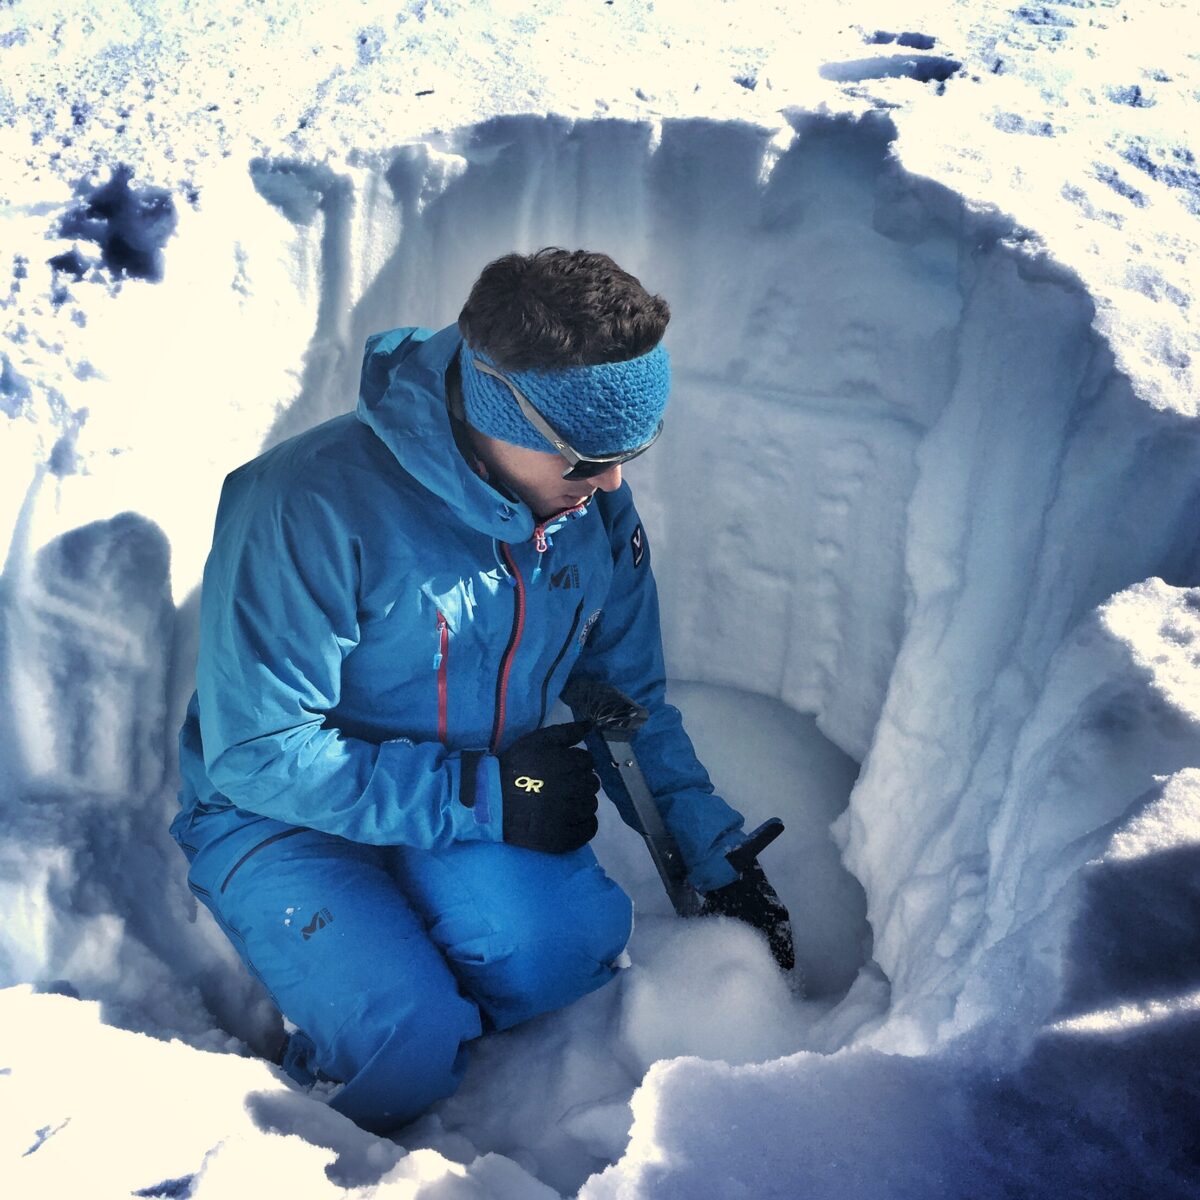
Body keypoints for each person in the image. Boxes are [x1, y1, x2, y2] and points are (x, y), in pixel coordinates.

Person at [170, 248, 792, 1134]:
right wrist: (482, 797)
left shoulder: (589, 515)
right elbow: (259, 754)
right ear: (501, 417)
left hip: (465, 793)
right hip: (278, 812)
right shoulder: (306, 503)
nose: (614, 484)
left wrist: (710, 853)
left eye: (631, 455)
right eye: (587, 459)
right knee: (405, 1043)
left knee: (565, 953)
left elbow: (626, 700)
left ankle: (409, 958)